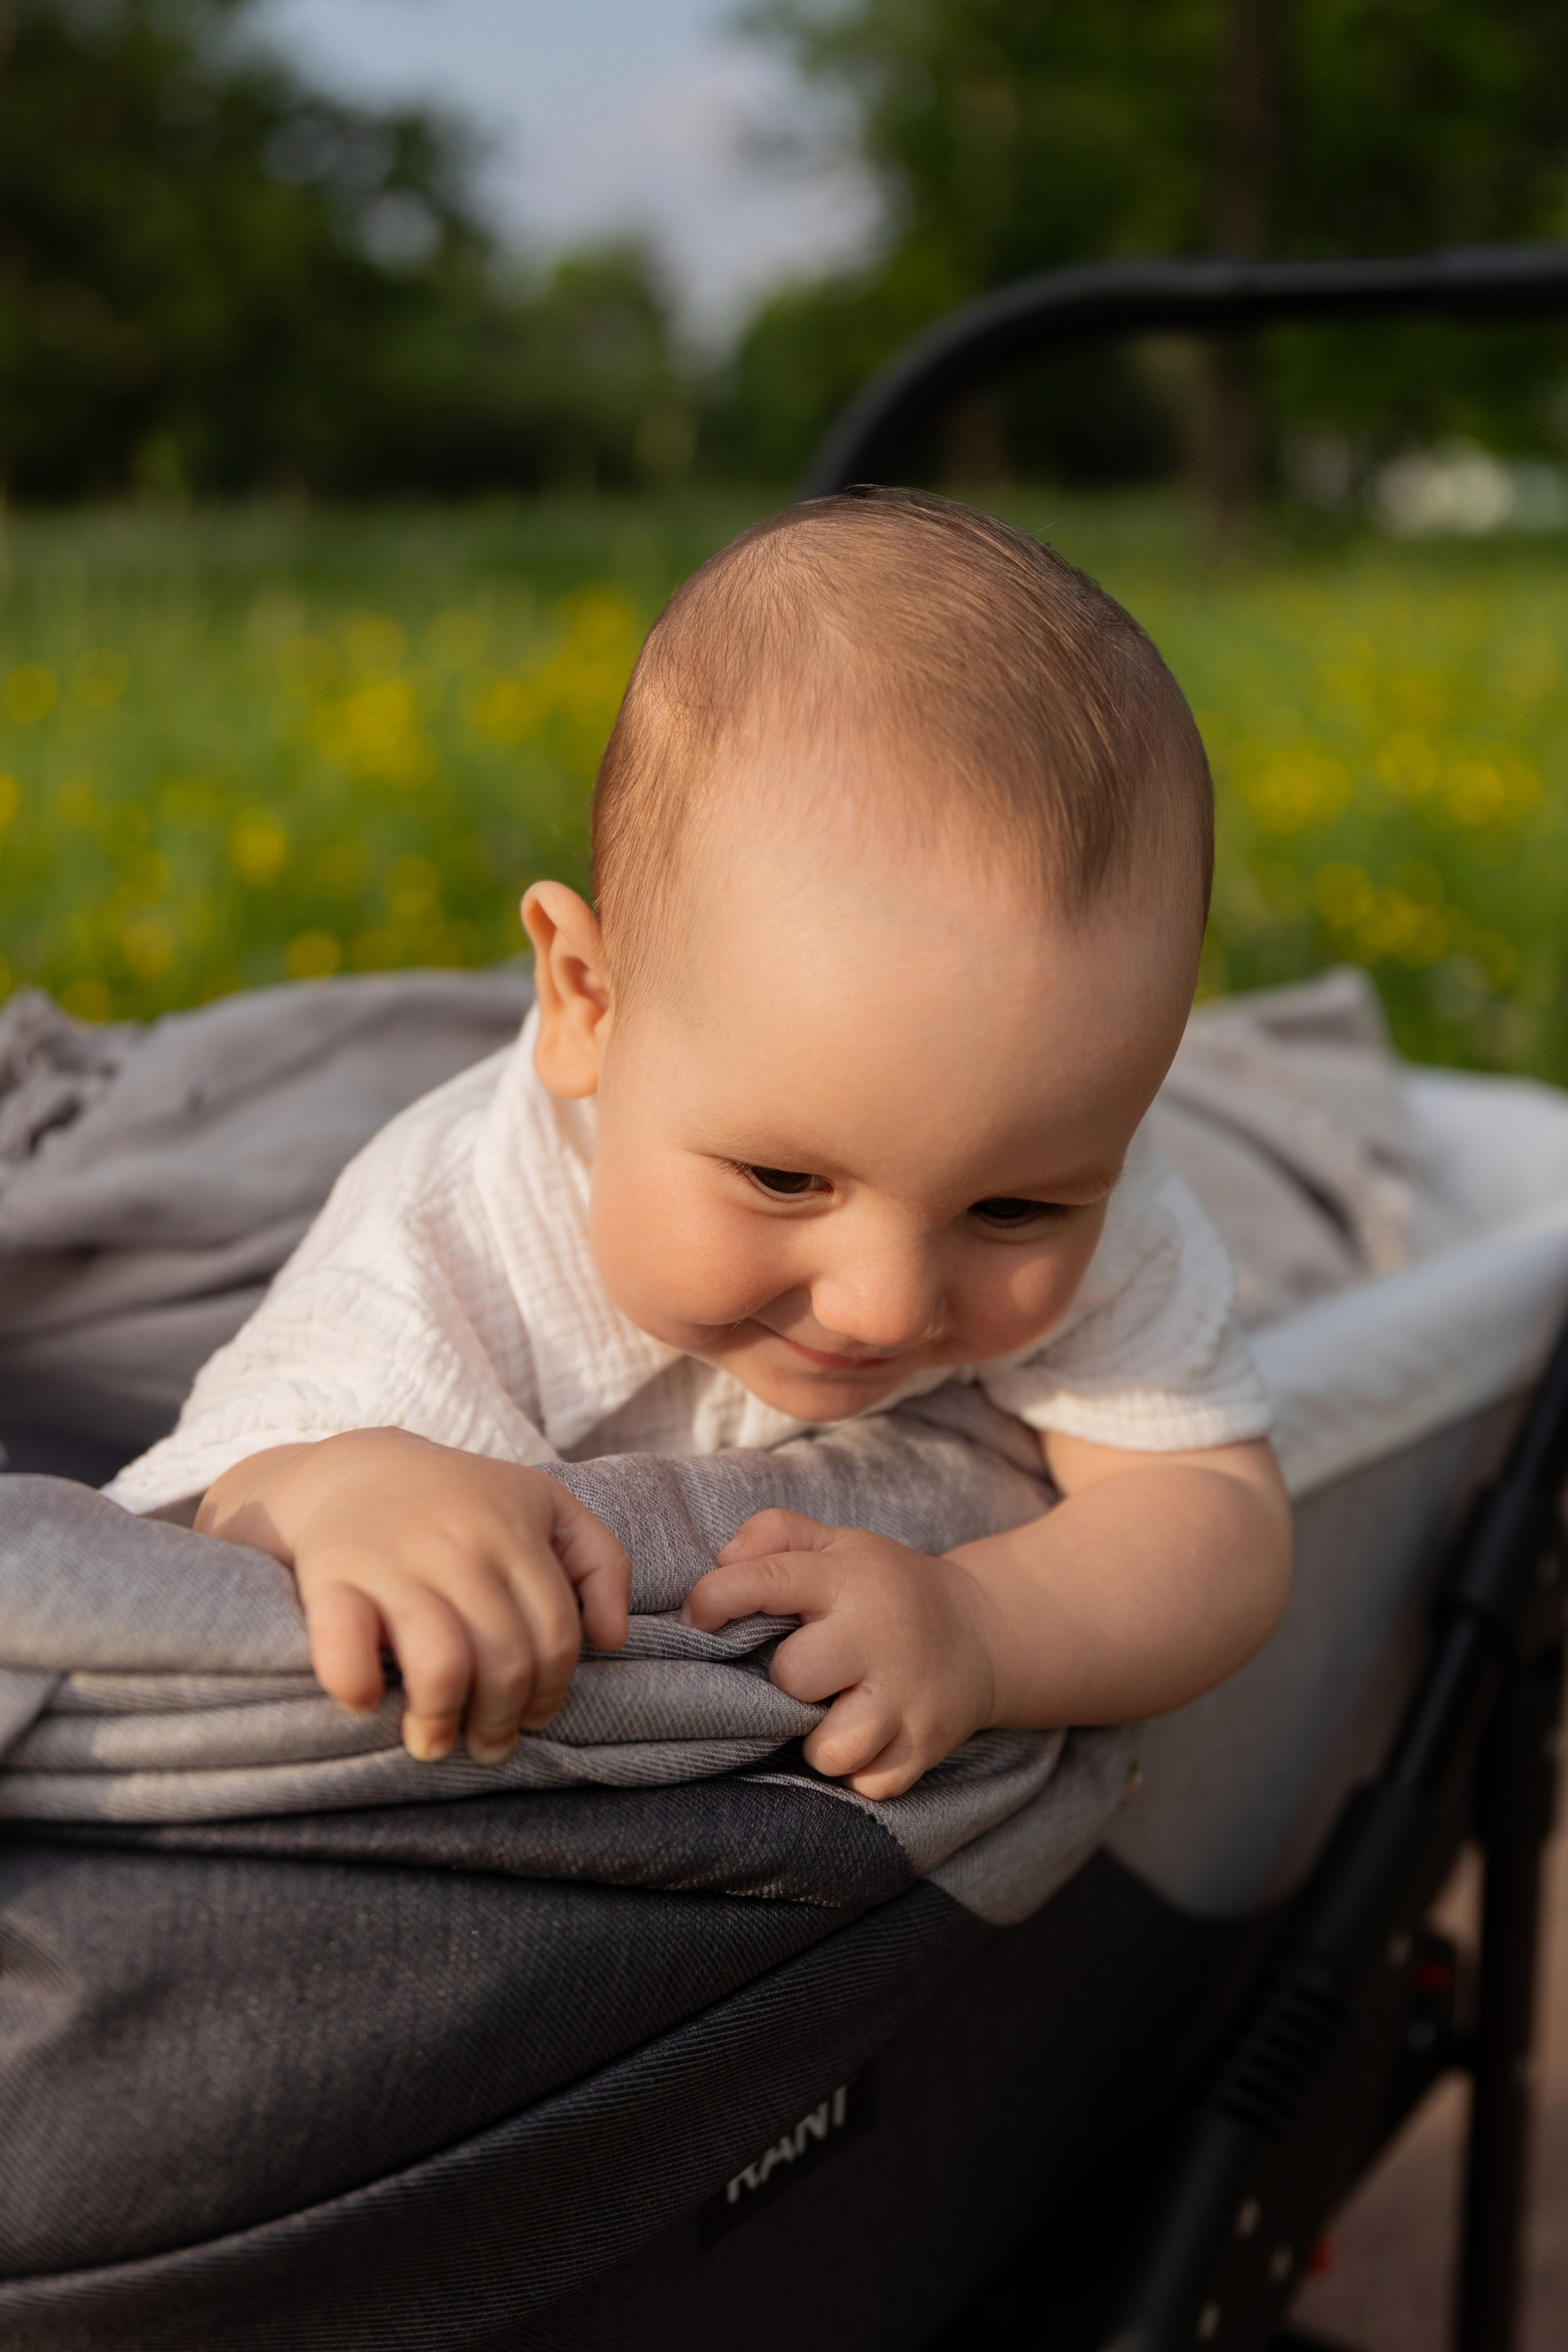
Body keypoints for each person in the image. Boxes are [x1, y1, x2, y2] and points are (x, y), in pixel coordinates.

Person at [108, 489, 1292, 1801]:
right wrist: (347, 1488)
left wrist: (987, 1628)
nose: (882, 1302)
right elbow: (206, 1499)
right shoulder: (457, 1227)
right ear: (585, 1004)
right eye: (785, 1179)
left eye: (1010, 1213)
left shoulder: (1108, 1207)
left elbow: (1215, 1519)